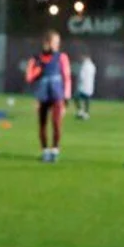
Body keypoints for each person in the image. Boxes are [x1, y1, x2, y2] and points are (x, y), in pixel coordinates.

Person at [23, 32, 72, 162]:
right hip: (43, 95)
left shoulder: (62, 57)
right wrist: (37, 71)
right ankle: (45, 151)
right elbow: (28, 77)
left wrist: (66, 96)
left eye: (57, 42)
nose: (56, 45)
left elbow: (67, 77)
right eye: (54, 42)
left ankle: (55, 150)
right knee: (42, 124)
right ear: (46, 42)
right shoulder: (36, 59)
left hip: (57, 94)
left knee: (56, 123)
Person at [74, 54, 96, 119]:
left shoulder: (84, 65)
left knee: (76, 97)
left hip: (83, 86)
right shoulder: (93, 66)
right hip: (89, 86)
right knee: (87, 100)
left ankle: (80, 111)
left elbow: (81, 76)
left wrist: (78, 82)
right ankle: (86, 113)